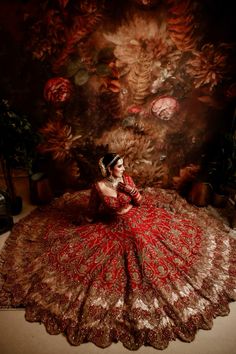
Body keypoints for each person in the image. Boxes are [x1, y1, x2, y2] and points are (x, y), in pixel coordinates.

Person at [0, 152, 235, 350]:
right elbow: (93, 209)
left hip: (139, 220)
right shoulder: (99, 186)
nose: (123, 169)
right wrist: (85, 221)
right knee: (117, 250)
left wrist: (130, 191)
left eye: (123, 166)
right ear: (109, 169)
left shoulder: (128, 179)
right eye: (119, 166)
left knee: (155, 248)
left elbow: (140, 202)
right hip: (114, 226)